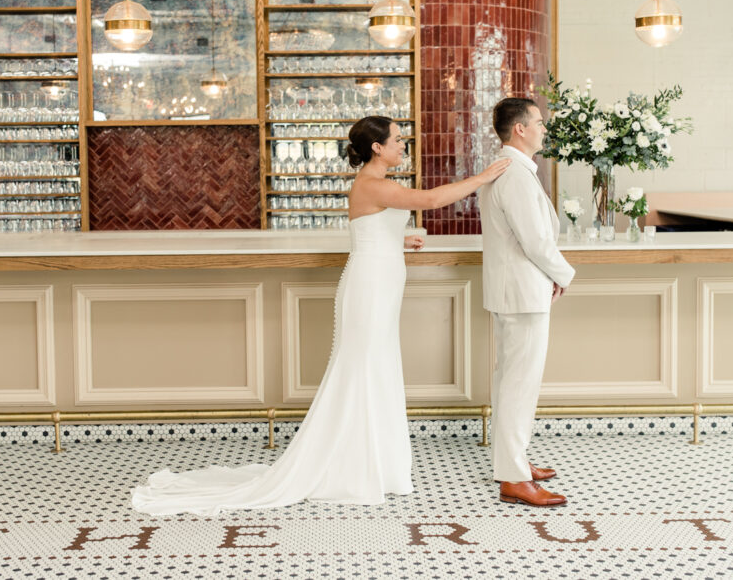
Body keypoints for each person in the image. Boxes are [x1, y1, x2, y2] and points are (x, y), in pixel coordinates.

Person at [131, 115, 510, 516]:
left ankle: (372, 464)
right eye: (398, 140)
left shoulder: (374, 185)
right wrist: (483, 176)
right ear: (377, 148)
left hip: (379, 282)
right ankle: (350, 466)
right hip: (369, 287)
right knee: (360, 369)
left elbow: (368, 228)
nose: (403, 146)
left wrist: (399, 236)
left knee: (376, 369)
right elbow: (432, 200)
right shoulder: (375, 183)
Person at [478, 97, 576, 507]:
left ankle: (513, 462)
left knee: (510, 383)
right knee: (519, 385)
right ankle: (515, 478)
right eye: (538, 122)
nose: (543, 128)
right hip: (522, 293)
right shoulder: (514, 174)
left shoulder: (510, 169)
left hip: (515, 291)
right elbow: (535, 240)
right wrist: (564, 273)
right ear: (520, 129)